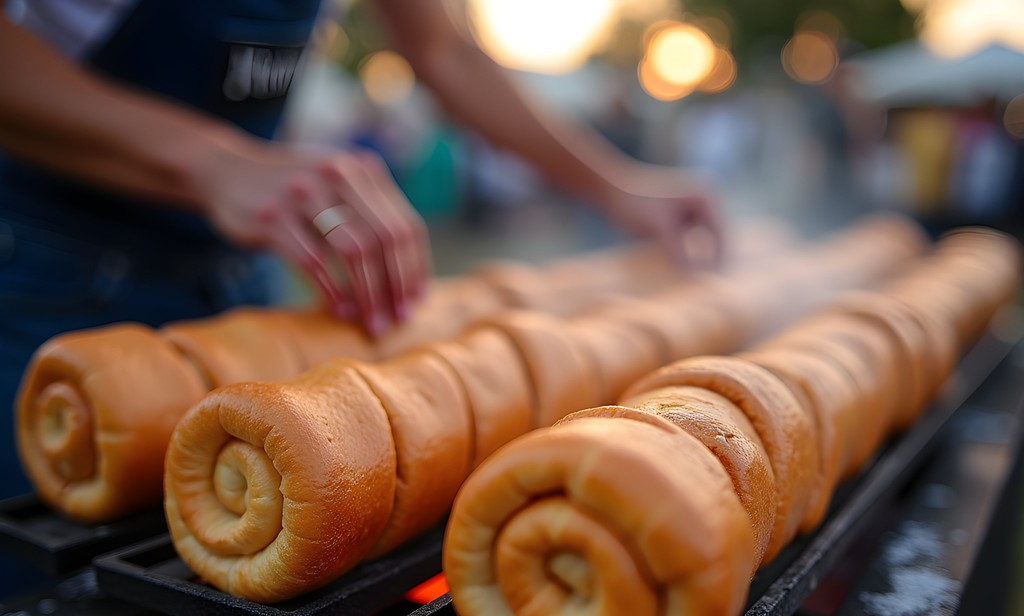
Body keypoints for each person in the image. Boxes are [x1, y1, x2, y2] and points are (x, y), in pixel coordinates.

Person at [0, 0, 723, 502]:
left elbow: (443, 49)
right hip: (48, 273)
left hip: (239, 270)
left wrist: (613, 186)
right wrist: (212, 160)